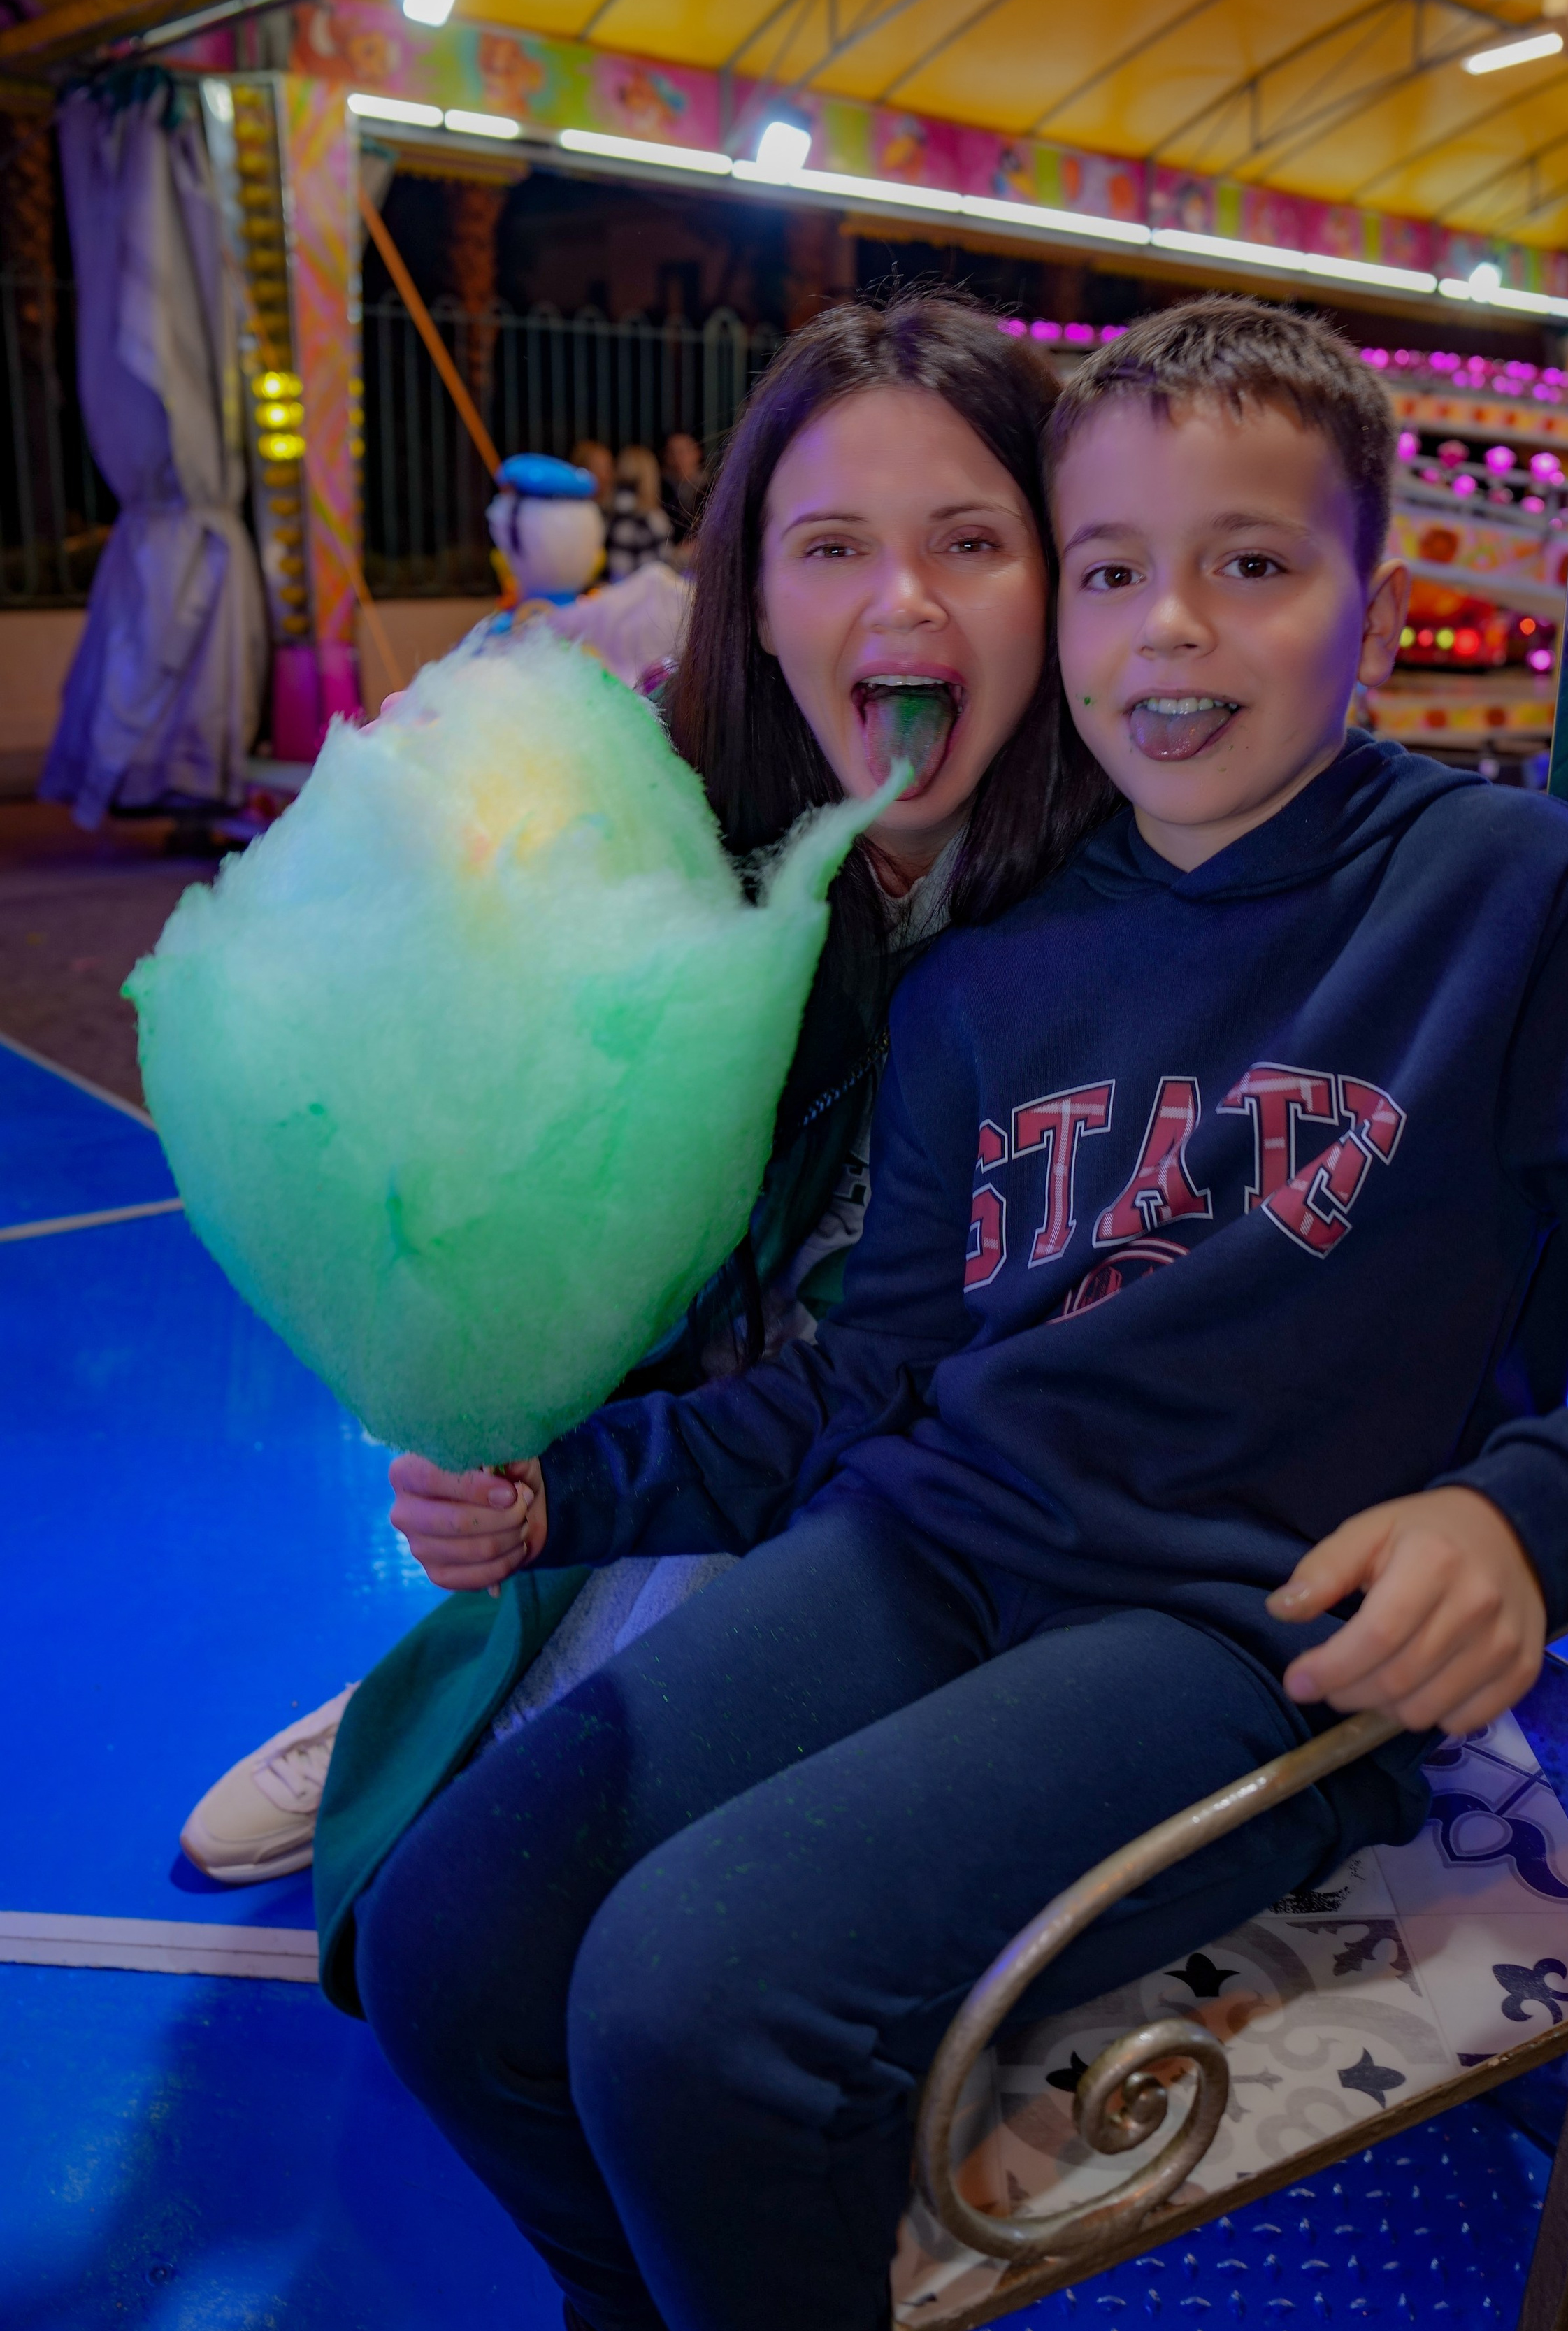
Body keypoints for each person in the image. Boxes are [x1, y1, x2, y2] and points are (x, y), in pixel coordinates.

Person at [355, 297, 1568, 2331]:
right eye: (1113, 568)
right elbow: (864, 1393)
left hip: (1242, 1629)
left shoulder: (1507, 899)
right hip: (933, 1546)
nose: (1168, 631)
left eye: (1253, 564)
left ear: (1369, 608)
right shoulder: (989, 980)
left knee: (687, 1997)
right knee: (447, 1940)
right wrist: (562, 1485)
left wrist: (1525, 1514)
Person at [179, 295, 1114, 1895]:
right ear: (747, 599)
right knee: (476, 1859)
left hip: (944, 1514)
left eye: (970, 539)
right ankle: (451, 1687)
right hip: (690, 1451)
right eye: (827, 547)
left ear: (1062, 581)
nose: (900, 597)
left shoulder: (1123, 901)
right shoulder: (686, 833)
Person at [605, 445, 675, 580]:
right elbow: (660, 572)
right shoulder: (651, 520)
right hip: (641, 596)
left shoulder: (608, 514)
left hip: (613, 595)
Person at [663, 430, 705, 543]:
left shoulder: (711, 487)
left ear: (697, 453)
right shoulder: (660, 488)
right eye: (672, 452)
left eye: (682, 452)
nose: (677, 458)